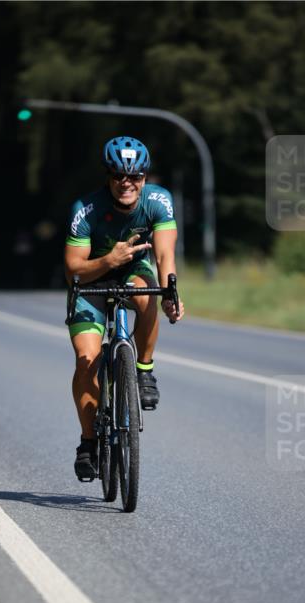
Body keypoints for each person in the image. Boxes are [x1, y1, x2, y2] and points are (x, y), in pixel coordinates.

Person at [64, 136, 185, 481]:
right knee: (87, 362)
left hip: (134, 272)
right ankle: (88, 442)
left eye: (135, 177)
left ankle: (144, 370)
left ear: (145, 177)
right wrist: (108, 259)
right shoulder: (85, 209)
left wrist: (171, 292)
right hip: (90, 281)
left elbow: (164, 255)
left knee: (147, 293)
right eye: (119, 175)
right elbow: (73, 268)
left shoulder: (159, 200)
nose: (127, 183)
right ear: (109, 176)